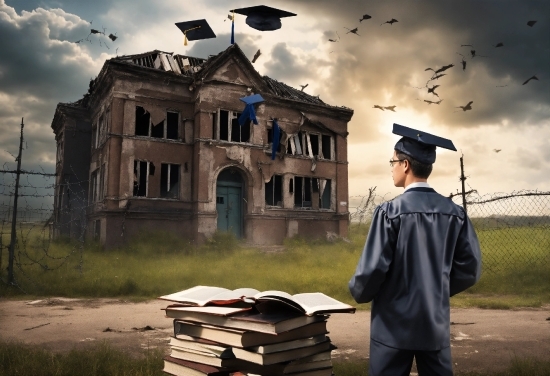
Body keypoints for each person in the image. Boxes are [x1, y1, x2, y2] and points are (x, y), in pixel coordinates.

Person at [349, 123, 482, 376]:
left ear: (406, 165)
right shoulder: (455, 214)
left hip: (391, 325)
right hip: (433, 323)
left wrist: (358, 292)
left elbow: (372, 269)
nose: (392, 168)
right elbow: (470, 268)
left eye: (393, 162)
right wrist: (436, 289)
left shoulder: (389, 213)